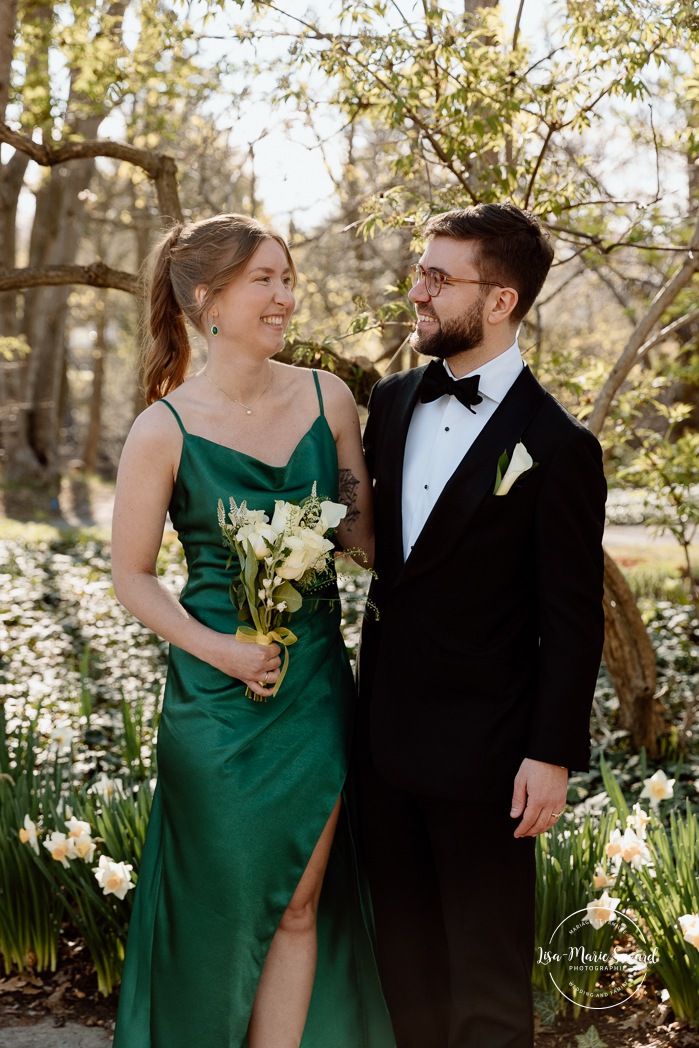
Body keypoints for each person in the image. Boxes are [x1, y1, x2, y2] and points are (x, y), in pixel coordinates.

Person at [110, 213, 395, 1048]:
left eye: (286, 278)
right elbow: (132, 576)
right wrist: (220, 649)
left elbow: (365, 540)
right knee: (222, 911)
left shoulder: (327, 398)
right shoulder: (162, 429)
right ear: (209, 300)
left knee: (301, 904)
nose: (284, 296)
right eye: (264, 280)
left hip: (310, 692)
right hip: (212, 700)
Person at [355, 203, 607, 1048]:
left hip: (491, 757)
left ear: (498, 301)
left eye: (437, 277)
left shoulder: (558, 445)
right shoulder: (390, 403)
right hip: (383, 745)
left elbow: (572, 619)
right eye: (420, 272)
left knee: (489, 983)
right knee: (408, 970)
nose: (417, 292)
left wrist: (551, 754)